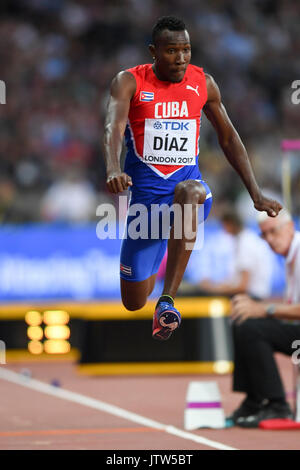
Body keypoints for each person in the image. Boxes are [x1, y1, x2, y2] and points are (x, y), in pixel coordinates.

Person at [103, 16, 282, 341]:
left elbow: (229, 138)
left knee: (190, 189)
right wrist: (114, 168)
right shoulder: (129, 82)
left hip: (189, 197)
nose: (181, 57)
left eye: (186, 49)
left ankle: (168, 300)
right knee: (133, 301)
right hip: (146, 212)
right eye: (172, 50)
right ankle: (157, 267)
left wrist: (255, 193)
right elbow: (113, 127)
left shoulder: (204, 83)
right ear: (153, 51)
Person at [228, 208, 300, 427]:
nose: (269, 239)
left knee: (252, 326)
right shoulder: (290, 258)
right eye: (264, 234)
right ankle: (256, 399)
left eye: (273, 231)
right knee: (244, 320)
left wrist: (265, 309)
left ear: (289, 227)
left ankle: (276, 404)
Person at [198, 209, 272, 300]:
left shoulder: (246, 244)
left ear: (230, 224)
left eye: (224, 225)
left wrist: (213, 289)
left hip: (253, 298)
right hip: (252, 295)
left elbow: (242, 287)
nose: (223, 229)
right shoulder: (244, 239)